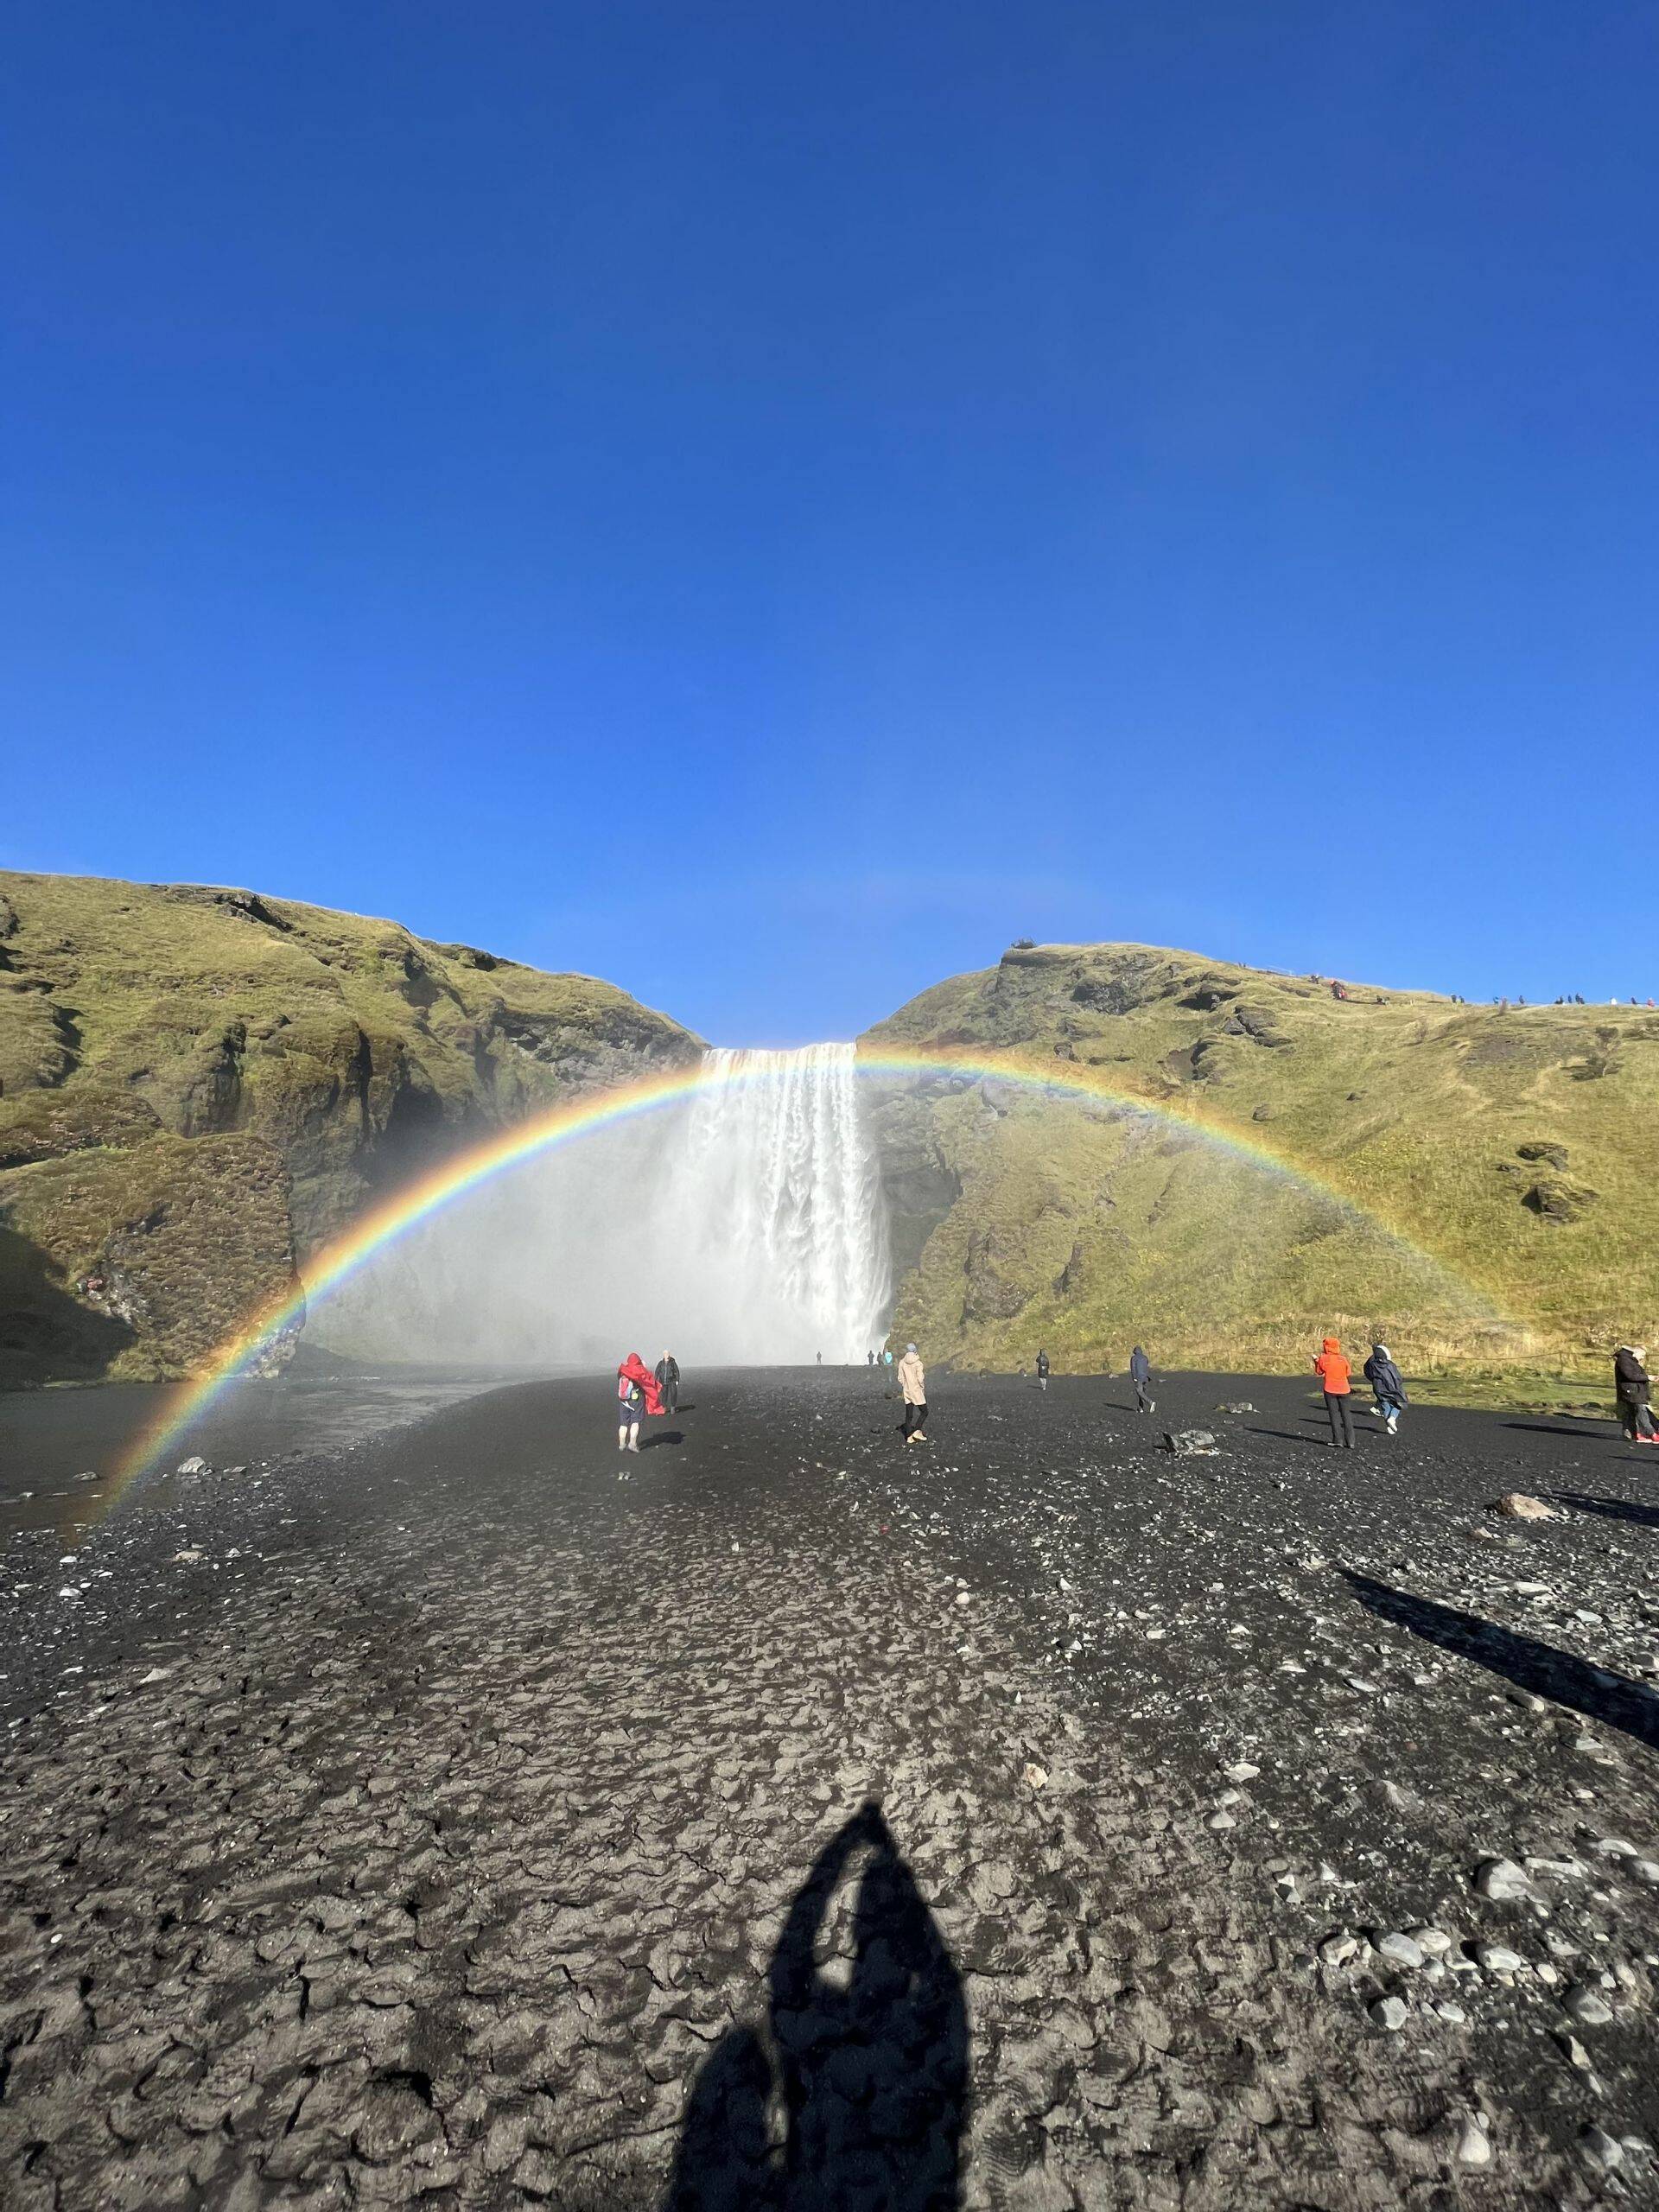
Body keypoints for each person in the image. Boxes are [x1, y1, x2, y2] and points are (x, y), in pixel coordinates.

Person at [616, 1351, 663, 1452]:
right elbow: (649, 1381)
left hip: (623, 1401)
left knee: (623, 1424)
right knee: (635, 1422)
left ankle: (621, 1444)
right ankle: (632, 1444)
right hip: (636, 1400)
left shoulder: (623, 1370)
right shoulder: (640, 1370)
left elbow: (619, 1376)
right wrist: (643, 1367)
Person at [1313, 1335, 1355, 1448]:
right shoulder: (1343, 1359)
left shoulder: (1324, 1358)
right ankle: (1351, 1441)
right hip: (1344, 1389)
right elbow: (1348, 1373)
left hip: (1330, 1389)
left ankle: (1338, 1440)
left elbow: (1319, 1371)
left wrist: (1316, 1361)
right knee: (1346, 1415)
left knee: (1334, 1415)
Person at [1613, 1344, 1657, 1443]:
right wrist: (1648, 1377)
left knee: (1630, 1412)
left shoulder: (1628, 1360)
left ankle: (1631, 1434)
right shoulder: (1624, 1360)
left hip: (1633, 1390)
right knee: (1641, 1411)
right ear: (1636, 1352)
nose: (1642, 1358)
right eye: (1642, 1355)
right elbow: (1630, 1375)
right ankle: (1651, 1433)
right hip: (1632, 1390)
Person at [1363, 1342, 1408, 1435]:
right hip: (1391, 1387)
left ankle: (1389, 1425)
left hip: (1378, 1388)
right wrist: (1399, 1386)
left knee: (1385, 1405)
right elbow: (1397, 1377)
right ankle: (1392, 1418)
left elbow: (1368, 1372)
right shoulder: (1390, 1365)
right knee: (1398, 1403)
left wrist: (1373, 1380)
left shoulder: (1372, 1364)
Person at [898, 1344, 928, 1446]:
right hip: (916, 1390)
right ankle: (917, 1430)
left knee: (909, 1415)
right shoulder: (918, 1363)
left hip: (907, 1391)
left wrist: (905, 1385)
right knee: (924, 1412)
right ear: (915, 1350)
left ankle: (909, 1437)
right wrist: (922, 1387)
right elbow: (920, 1379)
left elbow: (900, 1378)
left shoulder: (902, 1362)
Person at [1128, 1344, 1154, 1414]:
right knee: (1142, 1393)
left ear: (1135, 1351)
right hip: (1145, 1377)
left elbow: (1133, 1369)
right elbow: (1146, 1367)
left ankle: (1150, 1402)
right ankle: (1140, 1408)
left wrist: (1134, 1377)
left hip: (1139, 1377)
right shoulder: (1145, 1357)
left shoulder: (1133, 1358)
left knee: (1139, 1392)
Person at [655, 1350, 680, 1418]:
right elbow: (657, 1371)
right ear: (663, 1354)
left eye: (667, 1353)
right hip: (663, 1381)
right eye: (665, 1353)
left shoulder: (672, 1362)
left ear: (669, 1354)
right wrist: (655, 1380)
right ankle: (664, 1408)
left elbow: (676, 1371)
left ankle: (673, 1407)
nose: (666, 1354)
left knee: (673, 1393)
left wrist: (677, 1380)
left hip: (672, 1380)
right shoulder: (661, 1363)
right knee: (664, 1395)